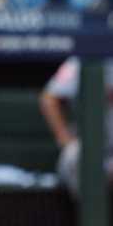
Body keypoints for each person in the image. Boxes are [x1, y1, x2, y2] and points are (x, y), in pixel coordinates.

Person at [39, 58, 113, 197]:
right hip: (88, 148)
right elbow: (49, 100)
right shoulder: (81, 59)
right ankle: (92, 216)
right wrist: (66, 140)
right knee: (74, 155)